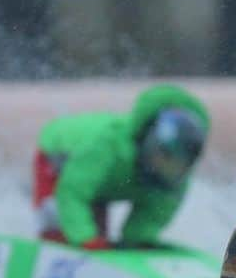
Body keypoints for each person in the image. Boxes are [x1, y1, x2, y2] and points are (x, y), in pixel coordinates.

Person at [33, 84, 209, 249]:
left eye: (175, 164)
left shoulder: (174, 181)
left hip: (98, 181)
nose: (165, 166)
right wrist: (84, 239)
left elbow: (150, 217)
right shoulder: (109, 145)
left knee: (96, 240)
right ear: (149, 140)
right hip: (58, 158)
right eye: (163, 155)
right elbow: (73, 192)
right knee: (66, 235)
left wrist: (139, 242)